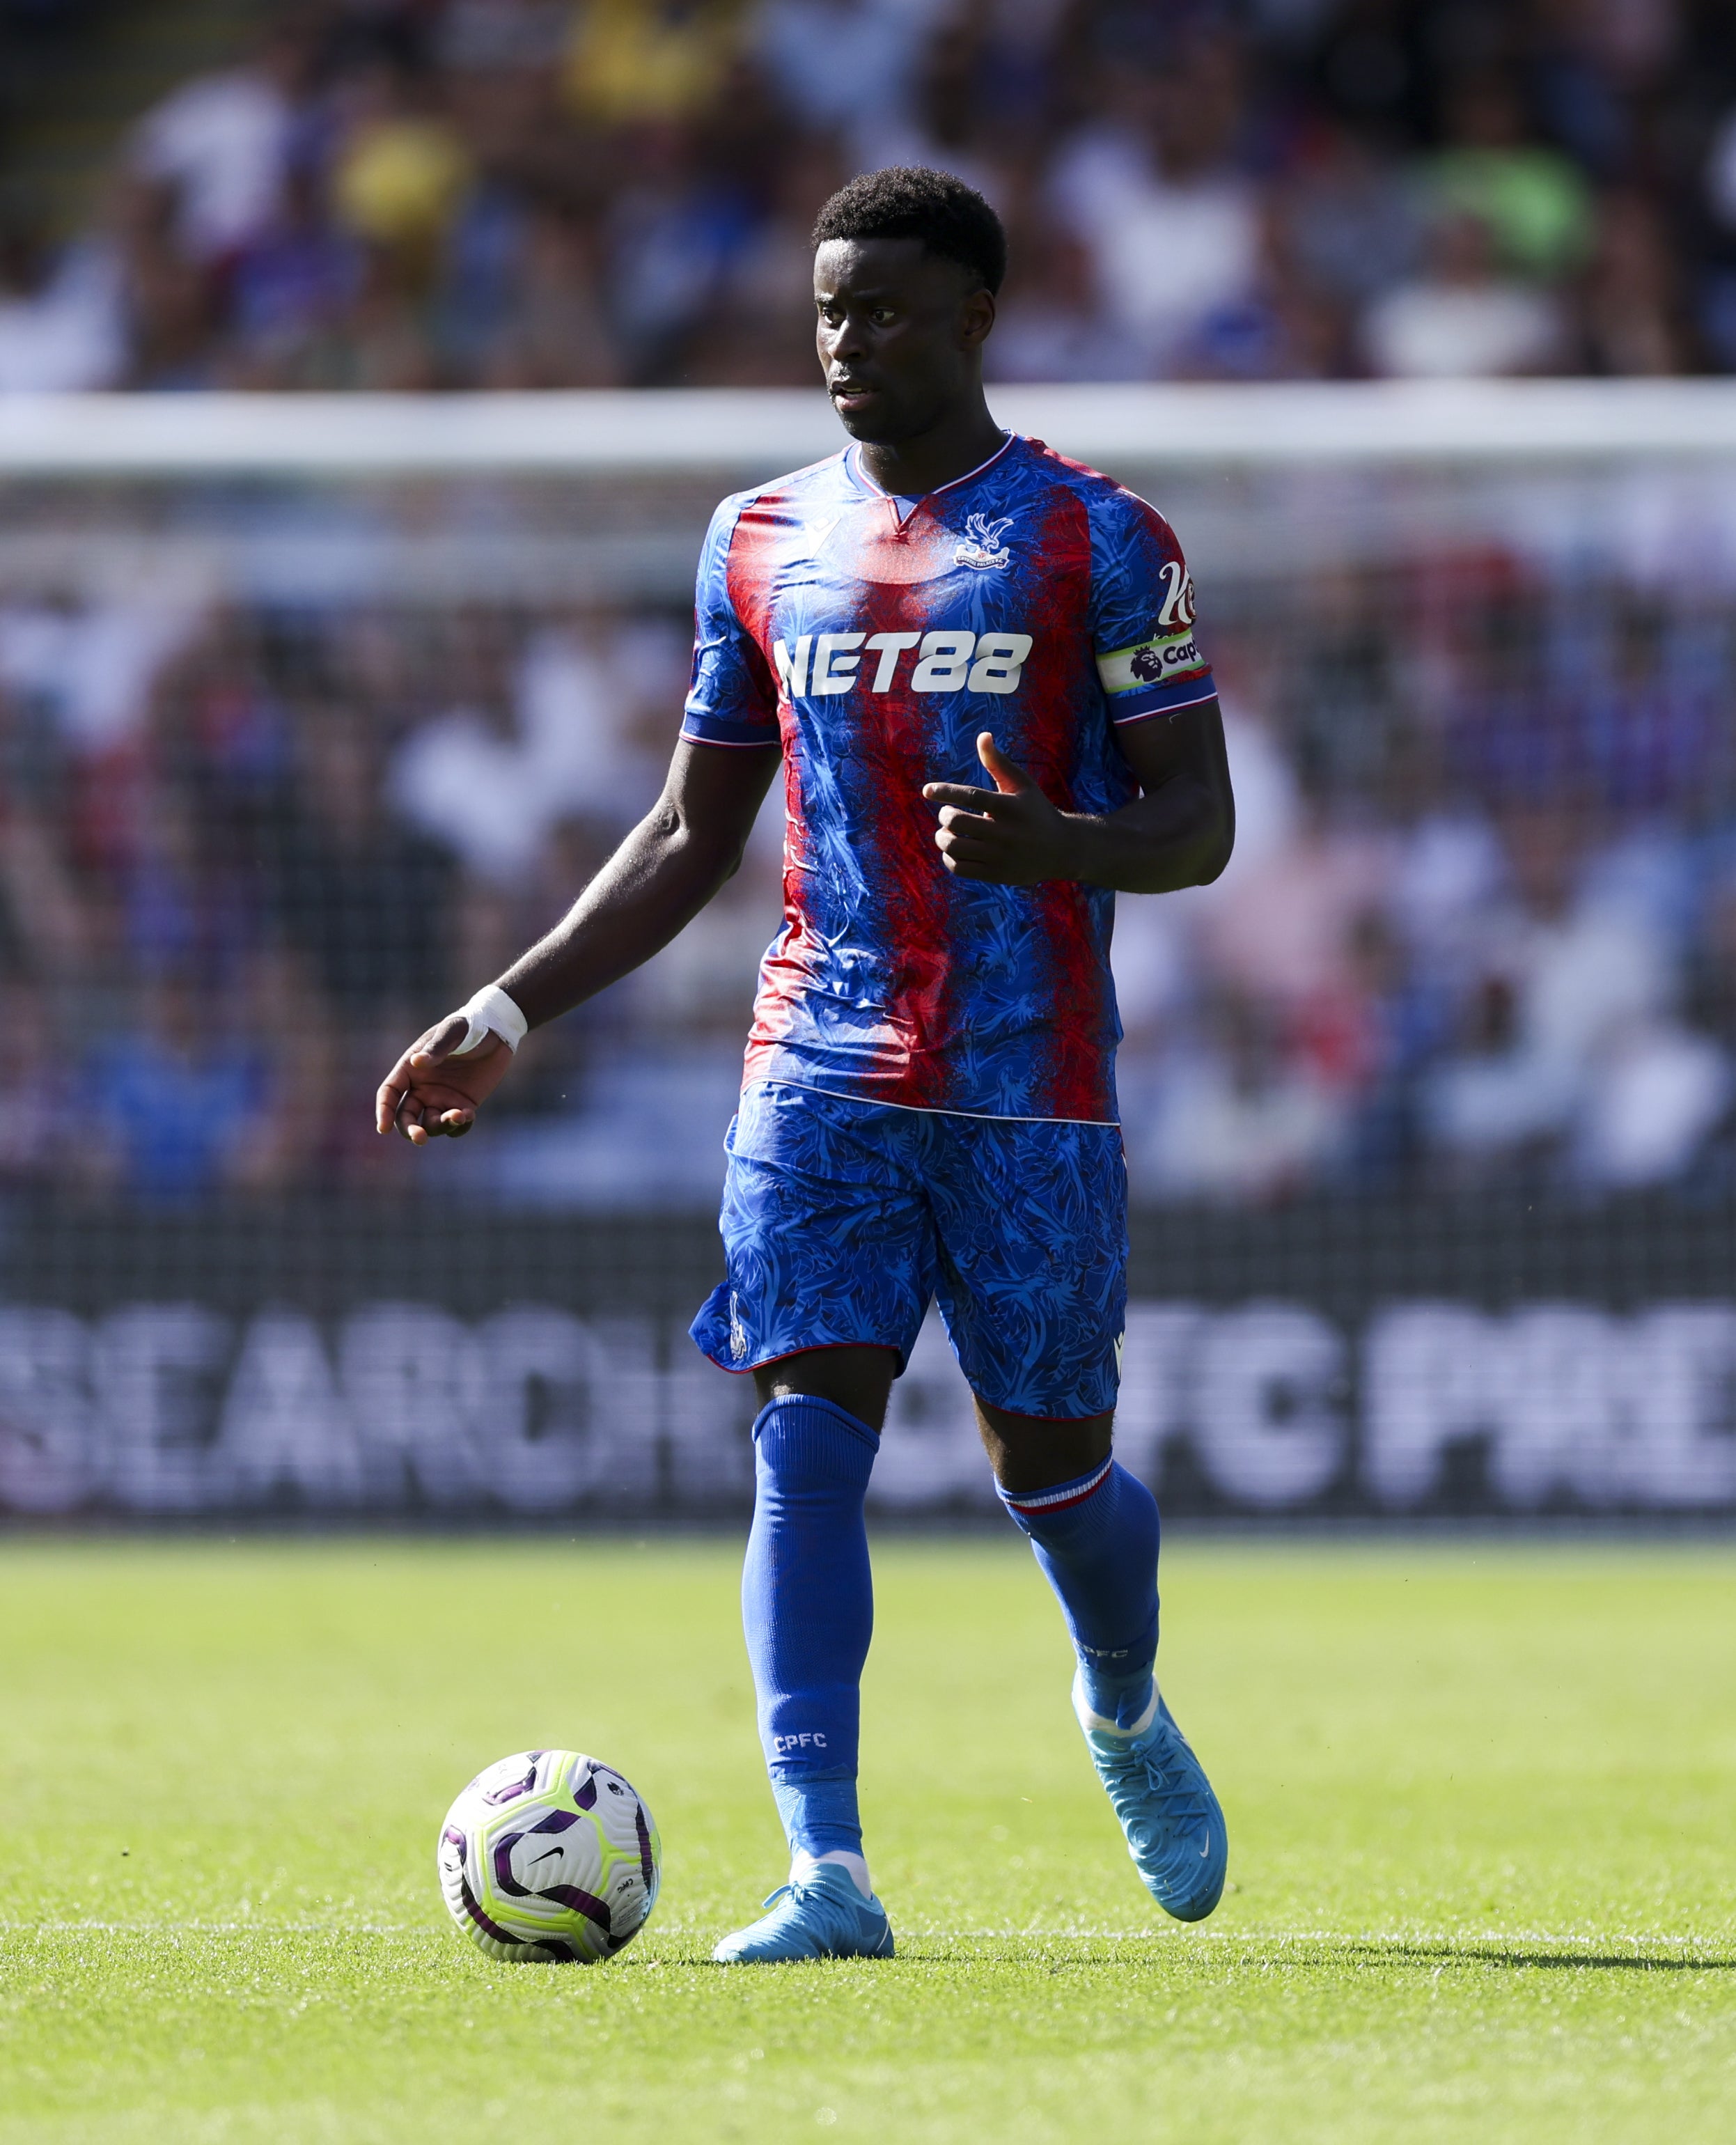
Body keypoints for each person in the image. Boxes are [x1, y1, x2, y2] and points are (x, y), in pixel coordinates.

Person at [376, 165, 1236, 1963]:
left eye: (892, 309)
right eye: (833, 310)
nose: (852, 341)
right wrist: (508, 1010)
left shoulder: (1098, 538)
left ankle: (1122, 1704)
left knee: (1056, 1477)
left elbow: (1198, 824)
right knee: (803, 1450)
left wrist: (1062, 850)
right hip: (816, 1066)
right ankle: (826, 1869)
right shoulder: (758, 537)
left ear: (978, 319)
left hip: (1027, 1079)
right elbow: (692, 827)